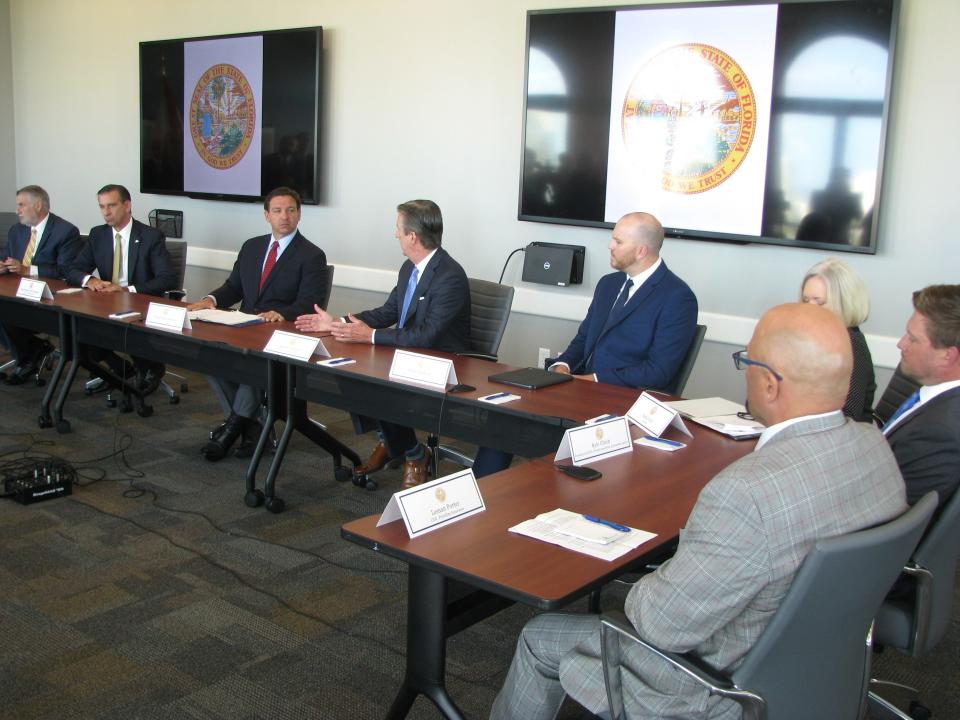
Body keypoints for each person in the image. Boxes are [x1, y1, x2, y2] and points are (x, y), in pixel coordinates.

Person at [489, 302, 906, 720]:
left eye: (746, 361)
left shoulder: (746, 493)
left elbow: (660, 623)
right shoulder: (876, 450)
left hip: (716, 686)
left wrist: (645, 577)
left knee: (539, 635)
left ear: (770, 385)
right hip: (817, 663)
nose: (744, 371)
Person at [473, 211, 697, 477]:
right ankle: (484, 497)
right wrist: (562, 365)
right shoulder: (609, 284)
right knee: (506, 416)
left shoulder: (677, 297)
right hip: (580, 391)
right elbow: (584, 338)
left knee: (550, 439)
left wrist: (594, 378)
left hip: (623, 402)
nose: (609, 246)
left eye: (618, 242)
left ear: (641, 251)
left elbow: (659, 372)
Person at [295, 199, 470, 489]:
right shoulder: (409, 268)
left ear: (412, 236)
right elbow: (388, 312)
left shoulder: (449, 276)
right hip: (406, 354)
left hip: (442, 362)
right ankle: (391, 440)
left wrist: (370, 336)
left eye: (398, 229)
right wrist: (338, 324)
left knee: (377, 387)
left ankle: (414, 454)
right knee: (351, 376)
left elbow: (427, 335)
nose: (395, 234)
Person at [188, 186, 328, 461]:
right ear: (267, 215)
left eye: (290, 210)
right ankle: (253, 426)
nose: (284, 216)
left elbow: (311, 301)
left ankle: (231, 431)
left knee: (253, 368)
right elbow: (233, 287)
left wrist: (282, 313)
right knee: (208, 355)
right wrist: (211, 299)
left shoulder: (311, 255)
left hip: (279, 335)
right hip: (245, 329)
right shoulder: (252, 246)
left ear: (299, 214)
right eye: (277, 211)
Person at [65, 184, 176, 393]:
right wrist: (90, 280)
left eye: (111, 206)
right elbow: (73, 269)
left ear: (127, 205)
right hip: (107, 303)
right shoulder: (98, 235)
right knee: (78, 331)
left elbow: (167, 279)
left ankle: (150, 367)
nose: (106, 212)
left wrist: (127, 291)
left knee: (126, 334)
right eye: (101, 207)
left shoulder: (151, 236)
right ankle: (121, 369)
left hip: (140, 302)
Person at [883, 284, 960, 511]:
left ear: (948, 356)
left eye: (913, 338)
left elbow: (892, 519)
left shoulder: (939, 433)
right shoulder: (935, 396)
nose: (901, 343)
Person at [0, 185, 81, 384]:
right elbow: (6, 256)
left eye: (21, 205)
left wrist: (28, 269)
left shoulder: (65, 231)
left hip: (49, 297)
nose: (17, 210)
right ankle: (31, 351)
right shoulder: (17, 230)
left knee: (6, 313)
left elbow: (66, 271)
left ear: (37, 205)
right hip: (17, 291)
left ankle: (28, 356)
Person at [800, 257, 876, 422]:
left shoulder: (853, 346)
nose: (809, 310)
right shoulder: (809, 339)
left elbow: (848, 414)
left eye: (820, 303)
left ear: (844, 304)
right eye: (805, 301)